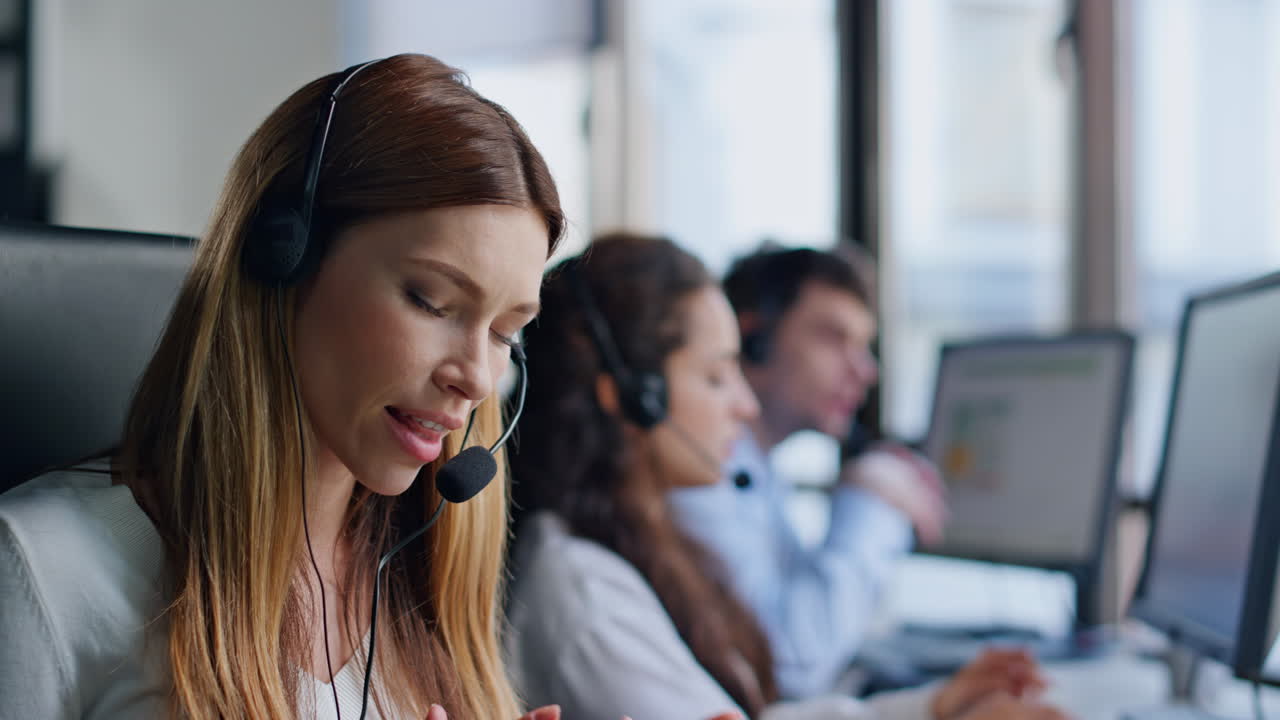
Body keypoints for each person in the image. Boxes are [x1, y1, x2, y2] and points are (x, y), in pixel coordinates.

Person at [0, 54, 565, 719]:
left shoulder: (425, 579)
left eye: (504, 333)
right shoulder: (43, 568)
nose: (474, 376)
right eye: (432, 300)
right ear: (284, 256)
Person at [506, 234, 1063, 720]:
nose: (743, 405)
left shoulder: (633, 546)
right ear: (634, 399)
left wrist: (930, 708)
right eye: (717, 376)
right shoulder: (586, 594)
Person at [667, 245, 947, 698]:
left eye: (864, 347)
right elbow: (792, 662)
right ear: (754, 340)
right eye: (835, 338)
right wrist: (870, 498)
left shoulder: (758, 469)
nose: (865, 370)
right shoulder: (698, 472)